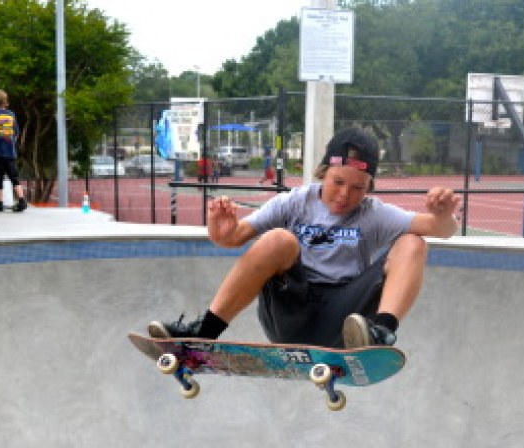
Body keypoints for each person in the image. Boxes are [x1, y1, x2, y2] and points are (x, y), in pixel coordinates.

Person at [149, 128, 460, 349]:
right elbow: (233, 239)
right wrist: (220, 229)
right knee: (279, 240)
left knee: (413, 242)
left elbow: (440, 230)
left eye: (358, 188)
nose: (344, 195)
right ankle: (205, 331)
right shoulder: (293, 203)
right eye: (338, 182)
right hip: (291, 310)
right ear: (323, 172)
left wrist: (443, 216)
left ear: (369, 187)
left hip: (346, 318)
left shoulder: (373, 213)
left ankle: (382, 332)